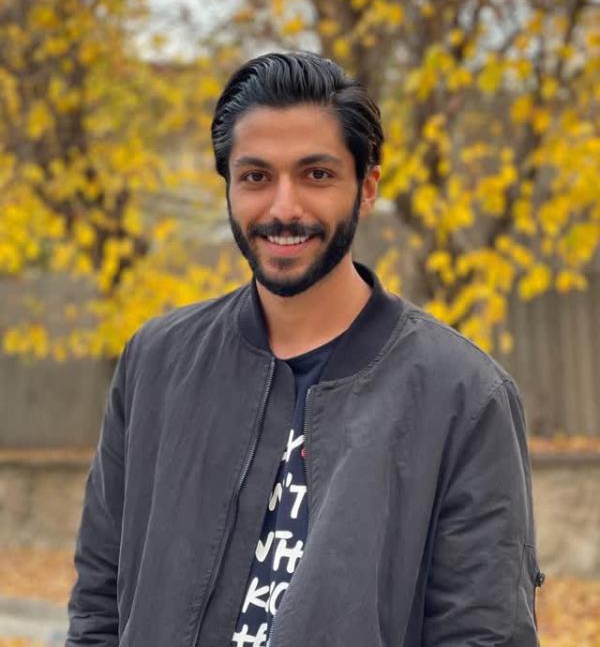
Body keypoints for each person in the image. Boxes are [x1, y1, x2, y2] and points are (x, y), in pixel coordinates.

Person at [67, 51, 543, 647]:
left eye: (316, 175)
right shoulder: (156, 364)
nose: (283, 208)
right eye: (256, 177)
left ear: (366, 189)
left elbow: (483, 632)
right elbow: (99, 604)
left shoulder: (463, 395)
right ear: (229, 188)